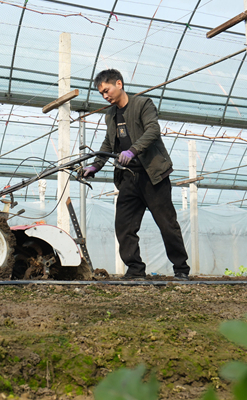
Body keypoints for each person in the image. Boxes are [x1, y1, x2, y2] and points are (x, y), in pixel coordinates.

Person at [79, 69, 191, 280]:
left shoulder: (142, 104)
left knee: (167, 224)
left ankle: (181, 270)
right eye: (101, 93)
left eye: (107, 90)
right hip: (128, 178)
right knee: (124, 225)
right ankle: (135, 270)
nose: (105, 96)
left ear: (119, 84)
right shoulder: (111, 114)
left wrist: (133, 150)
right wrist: (95, 166)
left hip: (153, 176)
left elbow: (153, 130)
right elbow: (108, 143)